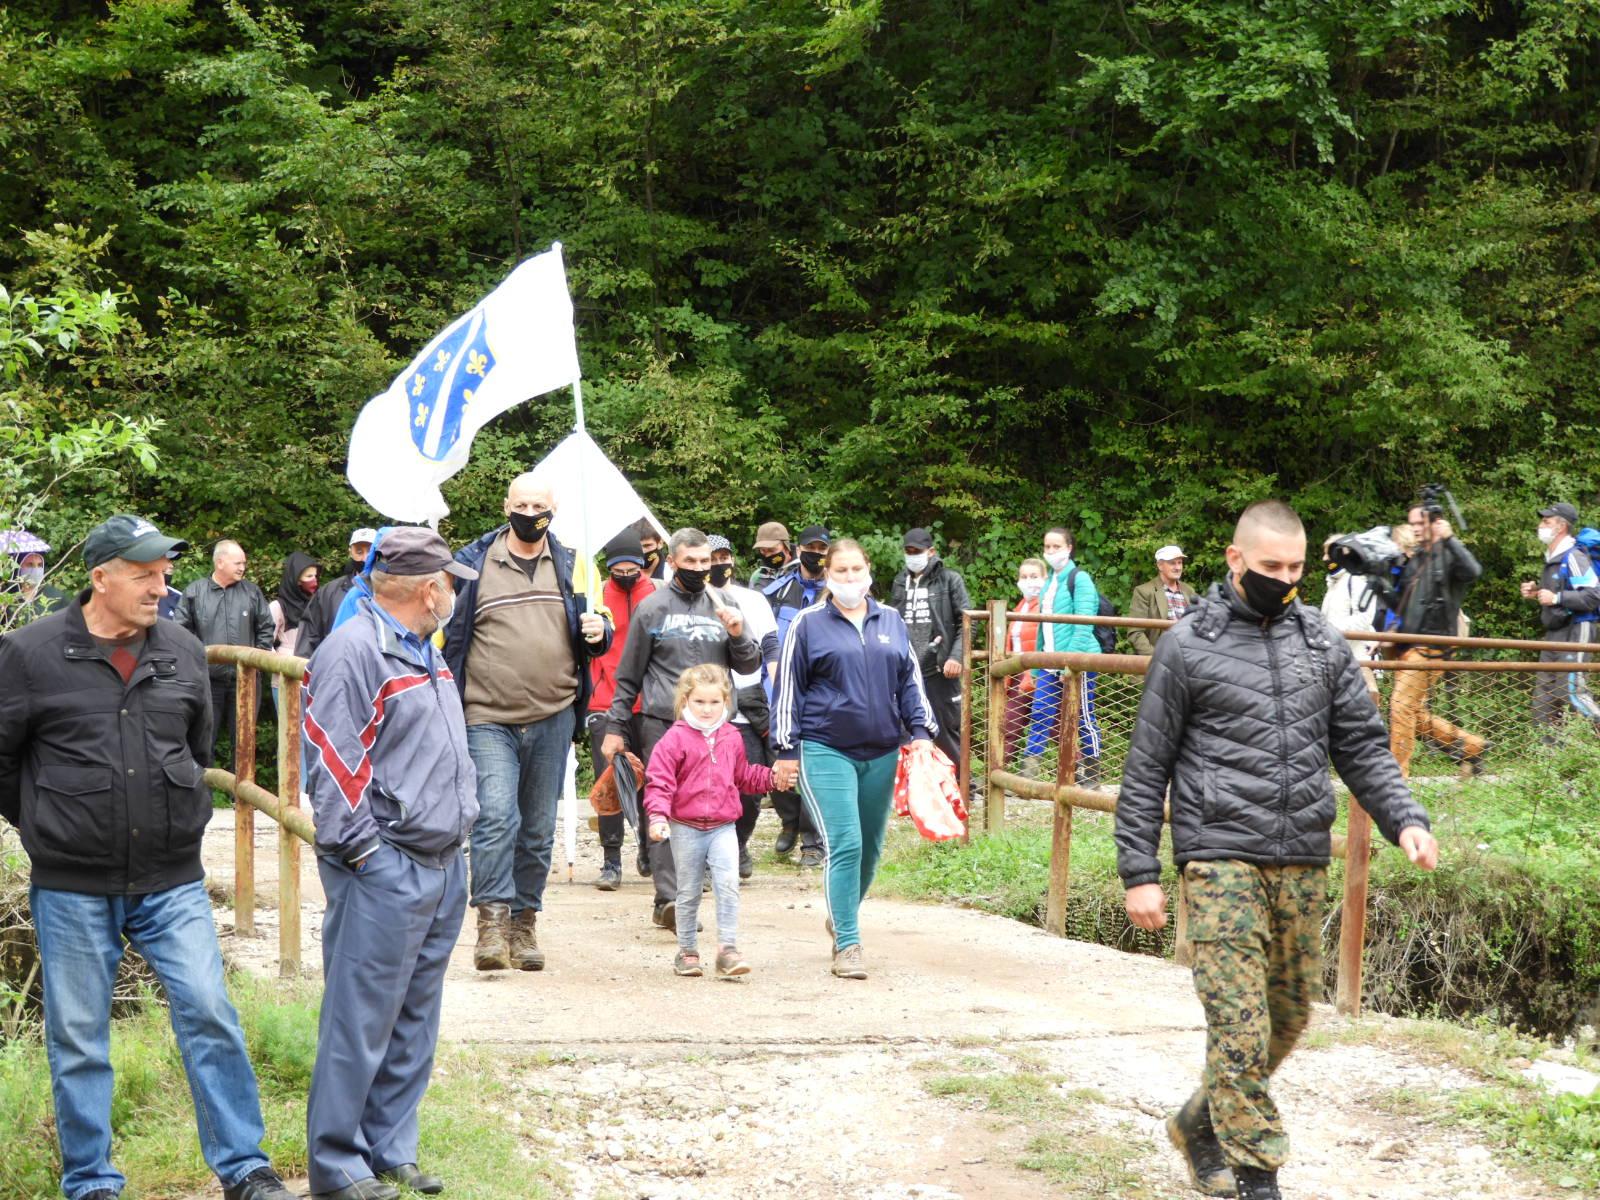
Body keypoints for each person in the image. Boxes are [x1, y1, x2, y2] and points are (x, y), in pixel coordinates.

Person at [1116, 500, 1438, 1200]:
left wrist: (1404, 818)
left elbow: (1361, 748)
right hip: (1218, 855)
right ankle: (1259, 1177)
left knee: (1288, 1018)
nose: (1284, 579)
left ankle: (1201, 1122)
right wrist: (1140, 871)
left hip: (1299, 855)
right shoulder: (1187, 644)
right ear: (1235, 560)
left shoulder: (1321, 643)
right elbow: (1146, 768)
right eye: (1270, 567)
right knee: (1238, 1018)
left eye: (1295, 568)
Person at [0, 514, 296, 1200]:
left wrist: (180, 815)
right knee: (77, 1037)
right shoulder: (26, 654)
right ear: (99, 578)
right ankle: (92, 1182)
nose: (160, 588)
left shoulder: (184, 650)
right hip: (72, 885)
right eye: (144, 576)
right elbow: (5, 760)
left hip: (171, 882)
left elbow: (198, 751)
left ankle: (245, 1168)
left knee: (209, 1011)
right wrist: (47, 825)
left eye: (164, 575)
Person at [302, 526, 479, 1200]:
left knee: (414, 1015)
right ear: (429, 590)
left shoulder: (422, 650)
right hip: (386, 864)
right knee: (361, 1016)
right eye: (451, 585)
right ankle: (337, 1164)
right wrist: (365, 854)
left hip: (440, 861)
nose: (454, 596)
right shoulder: (355, 650)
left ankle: (389, 1147)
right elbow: (334, 762)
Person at [443, 478, 611, 972]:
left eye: (539, 505)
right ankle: (491, 924)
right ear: (506, 507)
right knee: (496, 816)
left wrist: (600, 631)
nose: (530, 512)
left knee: (537, 829)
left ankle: (524, 921)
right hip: (486, 713)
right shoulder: (471, 563)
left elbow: (595, 626)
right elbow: (444, 632)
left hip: (553, 713)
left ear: (553, 510)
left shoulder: (575, 563)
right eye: (522, 504)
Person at [771, 537, 936, 980]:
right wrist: (786, 749)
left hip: (882, 748)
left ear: (868, 573)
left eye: (856, 571)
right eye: (840, 572)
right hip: (824, 747)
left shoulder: (892, 621)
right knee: (846, 843)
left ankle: (841, 912)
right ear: (827, 575)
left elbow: (910, 681)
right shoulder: (808, 624)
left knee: (872, 849)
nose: (849, 579)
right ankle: (848, 942)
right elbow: (789, 688)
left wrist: (921, 732)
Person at [601, 528, 760, 929]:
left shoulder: (724, 603)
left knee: (710, 804)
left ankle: (698, 883)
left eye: (705, 562)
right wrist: (617, 726)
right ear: (672, 562)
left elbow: (749, 664)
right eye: (690, 562)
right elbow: (628, 675)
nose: (699, 569)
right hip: (663, 723)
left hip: (715, 727)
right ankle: (668, 899)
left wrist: (738, 633)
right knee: (663, 806)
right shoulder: (652, 608)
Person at [644, 664, 774, 978]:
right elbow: (659, 781)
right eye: (699, 702)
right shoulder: (674, 738)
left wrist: (773, 778)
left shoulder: (731, 736)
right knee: (688, 891)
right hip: (685, 826)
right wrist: (658, 815)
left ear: (726, 702)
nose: (707, 709)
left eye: (714, 702)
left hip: (723, 825)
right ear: (685, 701)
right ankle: (687, 952)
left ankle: (727, 950)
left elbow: (743, 775)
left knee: (728, 884)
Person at [1384, 503, 1484, 777]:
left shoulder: (1447, 555)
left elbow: (1473, 571)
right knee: (1411, 711)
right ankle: (1472, 747)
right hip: (1408, 645)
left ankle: (1396, 776)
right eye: (1412, 524)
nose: (1416, 528)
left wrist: (1450, 539)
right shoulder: (1418, 560)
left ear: (1435, 523)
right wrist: (1376, 581)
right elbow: (1400, 604)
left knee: (1401, 706)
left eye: (1421, 523)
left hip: (1433, 646)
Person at [586, 530, 658, 888]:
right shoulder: (595, 598)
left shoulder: (658, 595)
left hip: (652, 702)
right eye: (619, 567)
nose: (626, 572)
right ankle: (610, 860)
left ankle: (649, 847)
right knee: (609, 779)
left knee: (654, 778)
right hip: (605, 700)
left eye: (633, 566)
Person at [760, 523, 832, 865]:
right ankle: (788, 822)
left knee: (815, 765)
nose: (815, 554)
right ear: (798, 549)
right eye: (811, 548)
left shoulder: (836, 594)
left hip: (820, 691)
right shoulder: (776, 591)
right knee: (776, 761)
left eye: (822, 549)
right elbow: (761, 637)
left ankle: (811, 839)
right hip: (777, 689)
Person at [709, 533, 779, 878]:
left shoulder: (753, 599)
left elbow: (770, 642)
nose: (719, 563)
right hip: (705, 706)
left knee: (751, 785)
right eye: (712, 557)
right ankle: (709, 856)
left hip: (748, 704)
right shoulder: (689, 602)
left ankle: (739, 843)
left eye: (724, 556)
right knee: (705, 783)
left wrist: (776, 681)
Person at [175, 539, 274, 768]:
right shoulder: (194, 592)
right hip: (207, 680)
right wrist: (195, 665)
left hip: (246, 680)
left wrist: (256, 661)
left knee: (244, 739)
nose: (242, 568)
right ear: (220, 562)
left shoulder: (252, 592)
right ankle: (202, 797)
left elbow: (266, 627)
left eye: (244, 563)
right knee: (202, 738)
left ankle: (241, 800)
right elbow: (180, 631)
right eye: (237, 563)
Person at [888, 527, 970, 770]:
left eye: (918, 551)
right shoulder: (900, 581)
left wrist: (956, 656)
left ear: (931, 551)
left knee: (945, 729)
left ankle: (962, 786)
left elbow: (966, 622)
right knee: (907, 729)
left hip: (939, 667)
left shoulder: (949, 580)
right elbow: (892, 620)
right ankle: (918, 784)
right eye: (908, 551)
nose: (912, 555)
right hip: (907, 667)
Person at [1028, 526, 1104, 787]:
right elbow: (1043, 625)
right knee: (1040, 713)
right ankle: (1029, 775)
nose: (1050, 552)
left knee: (1083, 717)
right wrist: (1038, 664)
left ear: (1069, 548)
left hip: (1077, 661)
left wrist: (1069, 663)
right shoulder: (1049, 582)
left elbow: (1084, 624)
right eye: (1047, 547)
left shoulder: (1079, 579)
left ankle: (1093, 774)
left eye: (1056, 547)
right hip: (1049, 662)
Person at [1521, 502, 1600, 733]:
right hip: (1554, 632)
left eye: (1546, 521)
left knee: (1571, 692)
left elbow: (1593, 595)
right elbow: (1560, 590)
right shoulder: (1553, 557)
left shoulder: (1574, 556)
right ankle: (1549, 759)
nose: (1540, 526)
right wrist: (1536, 591)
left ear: (1561, 526)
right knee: (1544, 696)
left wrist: (1555, 598)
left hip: (1577, 629)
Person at [1319, 534, 1382, 705]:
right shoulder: (1334, 584)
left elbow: (1364, 618)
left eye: (1328, 554)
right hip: (1336, 663)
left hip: (1355, 663)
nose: (1325, 558)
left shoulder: (1357, 579)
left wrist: (1328, 631)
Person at [296, 528, 377, 659]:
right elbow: (309, 635)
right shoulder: (328, 592)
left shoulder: (390, 591)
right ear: (350, 552)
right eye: (359, 551)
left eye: (370, 551)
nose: (365, 558)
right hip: (334, 666)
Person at [1002, 558, 1046, 766]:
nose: (1029, 581)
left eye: (1034, 576)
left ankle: (1080, 771)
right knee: (1010, 724)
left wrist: (1033, 672)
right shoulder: (1021, 607)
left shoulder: (1047, 605)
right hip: (1017, 671)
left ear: (1044, 578)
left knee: (1052, 723)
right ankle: (996, 775)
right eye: (1024, 577)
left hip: (1040, 671)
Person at [268, 552, 319, 711]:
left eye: (315, 575)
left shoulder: (317, 603)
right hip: (285, 677)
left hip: (314, 677)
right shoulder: (277, 607)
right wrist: (280, 662)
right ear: (296, 579)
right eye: (308, 576)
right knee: (288, 732)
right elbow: (264, 641)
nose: (314, 580)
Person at [1126, 545, 1197, 655]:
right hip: (1161, 656)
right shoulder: (1144, 591)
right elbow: (1135, 632)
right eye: (1172, 563)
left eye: (1180, 562)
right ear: (1160, 565)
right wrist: (1156, 659)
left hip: (1188, 657)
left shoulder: (1189, 591)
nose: (1178, 567)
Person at [2, 530, 68, 622]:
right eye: (30, 565)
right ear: (18, 567)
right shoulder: (6, 596)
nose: (36, 569)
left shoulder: (55, 596)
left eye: (40, 565)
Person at [749, 521, 792, 590]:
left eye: (772, 550)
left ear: (786, 547)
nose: (767, 555)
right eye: (763, 550)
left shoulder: (802, 572)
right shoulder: (757, 576)